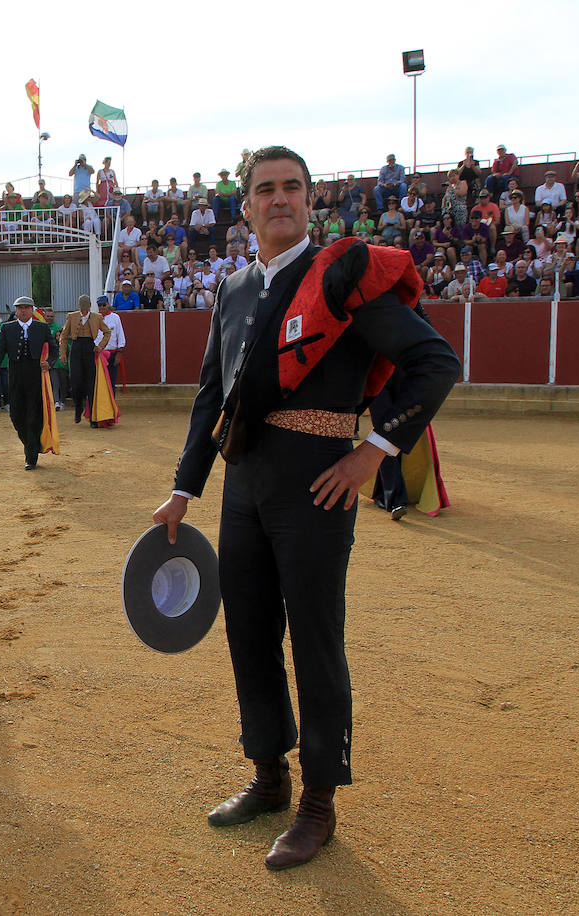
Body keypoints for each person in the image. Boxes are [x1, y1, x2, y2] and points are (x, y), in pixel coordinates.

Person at [152, 145, 459, 871]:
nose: (279, 198)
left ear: (310, 202)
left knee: (316, 641)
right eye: (266, 189)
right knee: (249, 634)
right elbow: (211, 397)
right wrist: (184, 487)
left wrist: (373, 450)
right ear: (247, 206)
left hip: (319, 485)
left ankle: (319, 800)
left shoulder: (341, 282)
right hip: (244, 481)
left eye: (292, 187)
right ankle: (269, 774)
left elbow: (436, 361)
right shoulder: (230, 289)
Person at [0, 296, 55, 469]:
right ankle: (31, 444)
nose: (23, 310)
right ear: (16, 310)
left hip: (36, 376)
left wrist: (50, 362)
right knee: (16, 415)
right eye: (20, 308)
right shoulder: (7, 328)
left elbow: (54, 348)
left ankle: (31, 456)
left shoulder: (42, 327)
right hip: (16, 376)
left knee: (34, 415)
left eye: (27, 307)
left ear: (32, 310)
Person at [58, 294, 112, 427]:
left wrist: (100, 346)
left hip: (89, 348)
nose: (84, 311)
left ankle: (93, 418)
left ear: (89, 307)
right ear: (79, 307)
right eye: (82, 309)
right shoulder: (72, 316)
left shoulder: (97, 317)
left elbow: (107, 332)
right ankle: (78, 408)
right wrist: (62, 353)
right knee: (75, 382)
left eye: (86, 308)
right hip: (76, 349)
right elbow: (64, 336)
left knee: (91, 383)